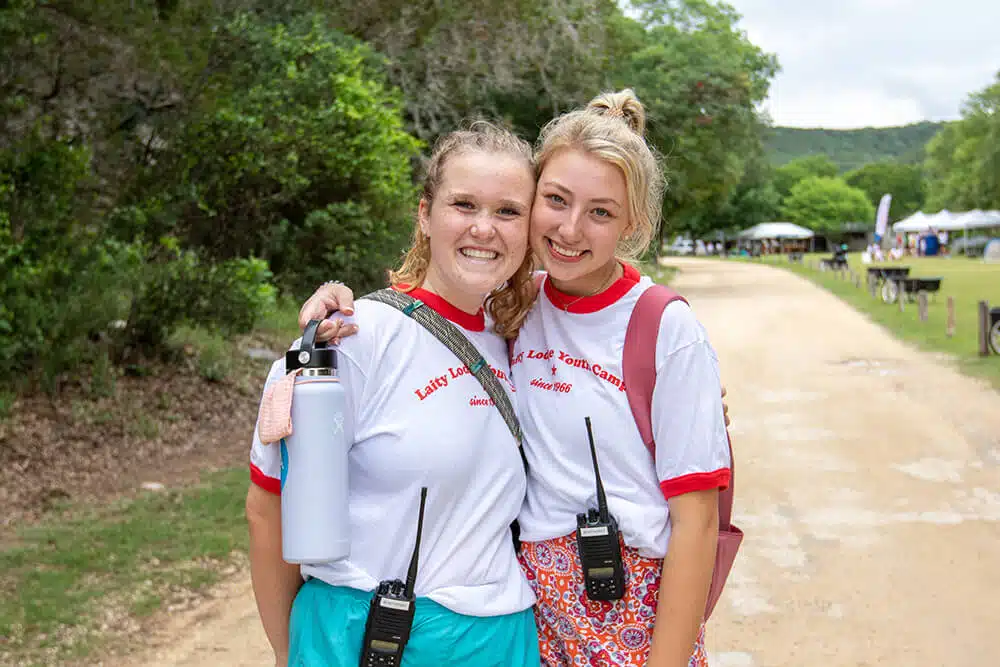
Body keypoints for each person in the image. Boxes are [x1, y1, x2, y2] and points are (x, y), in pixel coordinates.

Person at [298, 90, 731, 666]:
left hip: (629, 607)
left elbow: (697, 522)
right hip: (530, 610)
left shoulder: (664, 327)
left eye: (601, 212)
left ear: (633, 223)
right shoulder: (515, 305)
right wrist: (334, 305)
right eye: (556, 200)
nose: (571, 229)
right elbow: (429, 323)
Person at [245, 122, 542, 667]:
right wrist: (293, 652)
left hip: (503, 640)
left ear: (530, 228)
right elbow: (267, 509)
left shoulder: (524, 339)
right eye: (464, 205)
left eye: (507, 211)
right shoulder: (353, 338)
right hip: (371, 639)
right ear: (425, 214)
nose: (484, 228)